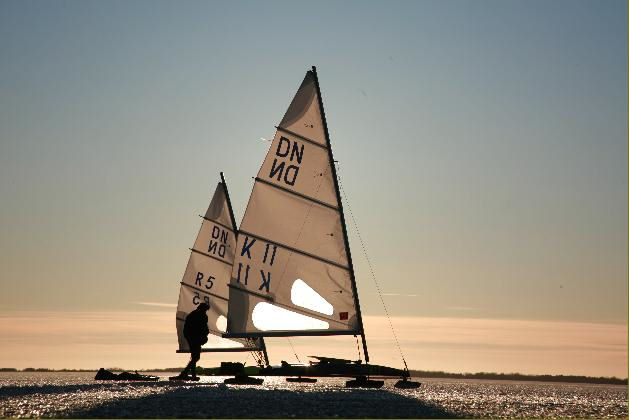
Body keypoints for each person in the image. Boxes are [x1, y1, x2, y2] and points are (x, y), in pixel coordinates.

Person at [177, 302, 210, 380]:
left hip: (193, 337)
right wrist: (202, 337)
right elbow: (202, 328)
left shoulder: (195, 315)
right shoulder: (198, 315)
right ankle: (185, 373)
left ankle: (192, 375)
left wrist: (204, 336)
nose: (205, 311)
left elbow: (204, 328)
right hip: (193, 338)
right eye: (205, 309)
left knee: (194, 356)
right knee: (196, 357)